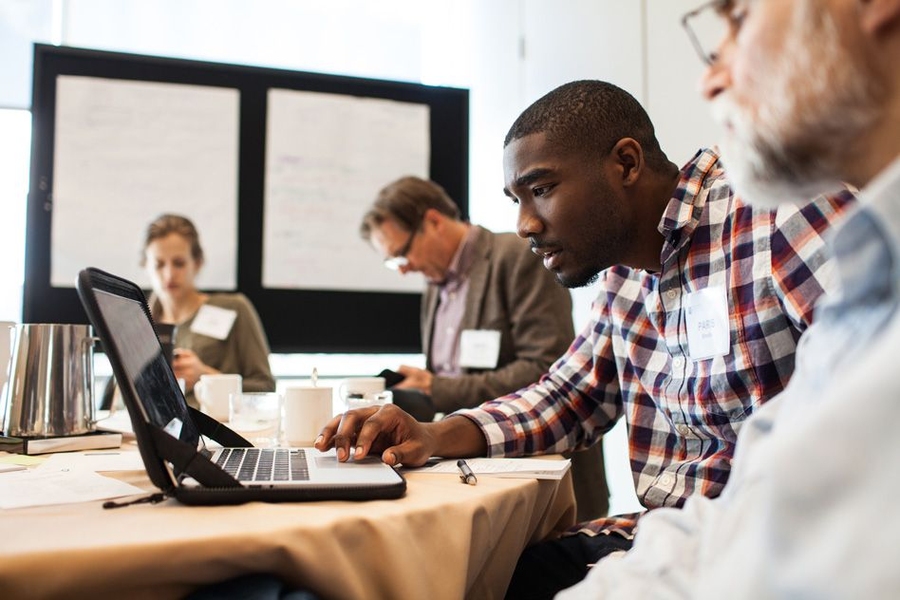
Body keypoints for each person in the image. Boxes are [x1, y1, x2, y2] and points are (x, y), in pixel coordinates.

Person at [316, 79, 856, 598]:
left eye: (542, 190)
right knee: (475, 570)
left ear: (625, 163)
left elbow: (878, 392)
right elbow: (568, 396)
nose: (526, 224)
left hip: (775, 542)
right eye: (515, 201)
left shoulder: (777, 211)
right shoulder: (624, 275)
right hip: (670, 532)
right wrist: (434, 435)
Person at [554, 1, 900, 598]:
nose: (711, 77)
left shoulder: (788, 218)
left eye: (739, 19)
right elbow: (759, 502)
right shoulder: (873, 261)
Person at [360, 176, 609, 521]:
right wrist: (425, 384)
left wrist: (437, 387)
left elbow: (545, 368)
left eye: (401, 254)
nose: (404, 270)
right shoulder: (434, 284)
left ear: (433, 222)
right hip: (470, 472)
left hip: (537, 478)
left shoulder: (520, 257)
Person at [141, 214, 275, 408]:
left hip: (215, 431)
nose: (169, 274)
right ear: (146, 267)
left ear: (197, 263)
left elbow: (265, 387)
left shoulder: (234, 308)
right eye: (159, 264)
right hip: (154, 432)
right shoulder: (141, 324)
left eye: (179, 263)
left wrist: (205, 375)